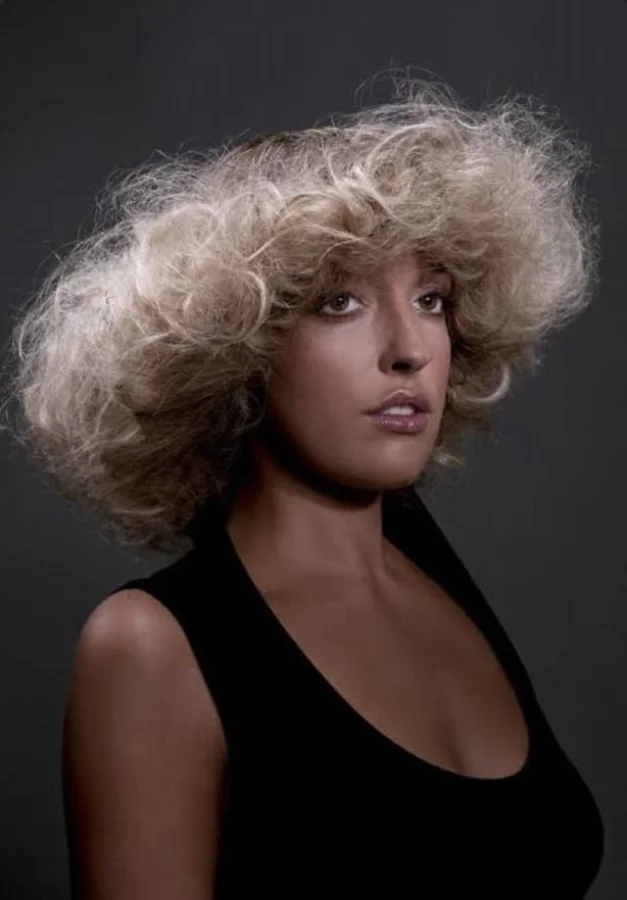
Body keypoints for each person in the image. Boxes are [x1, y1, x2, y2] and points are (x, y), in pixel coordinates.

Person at [2, 76, 605, 897]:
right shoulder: (152, 647)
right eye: (339, 301)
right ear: (233, 347)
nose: (409, 349)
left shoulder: (428, 568)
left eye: (430, 298)